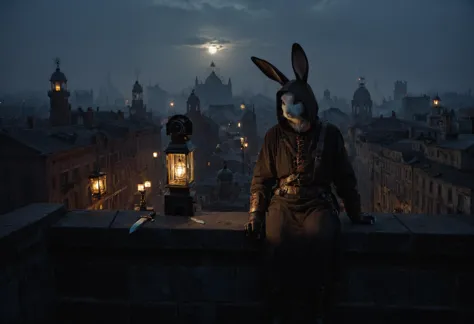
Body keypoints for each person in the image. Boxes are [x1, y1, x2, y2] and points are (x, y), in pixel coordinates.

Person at [245, 43, 375, 324]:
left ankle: (319, 306)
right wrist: (256, 214)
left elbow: (344, 177)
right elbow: (261, 178)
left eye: (293, 103)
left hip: (317, 203)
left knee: (321, 236)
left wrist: (355, 213)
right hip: (283, 203)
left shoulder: (329, 135)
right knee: (275, 239)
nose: (289, 109)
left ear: (307, 102)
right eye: (284, 104)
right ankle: (277, 306)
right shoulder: (273, 137)